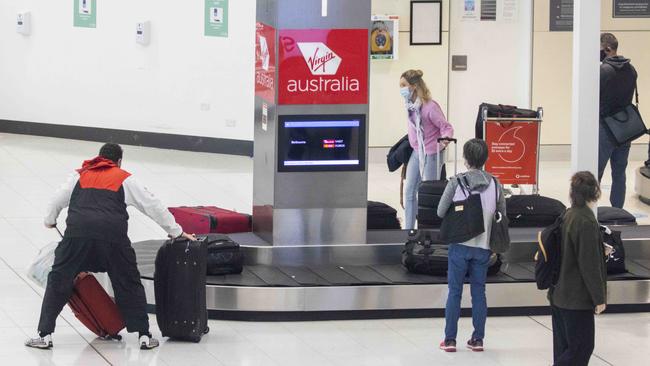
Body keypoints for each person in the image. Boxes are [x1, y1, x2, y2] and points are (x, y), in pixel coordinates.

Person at [25, 143, 196, 350]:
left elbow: (56, 200)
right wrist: (176, 232)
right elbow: (153, 205)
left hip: (77, 238)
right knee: (128, 283)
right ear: (119, 161)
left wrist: (50, 220)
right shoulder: (124, 178)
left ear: (99, 157)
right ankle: (143, 335)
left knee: (58, 280)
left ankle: (44, 335)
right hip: (113, 240)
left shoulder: (80, 175)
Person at [437, 139, 505, 352]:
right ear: (486, 159)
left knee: (454, 292)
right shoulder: (495, 184)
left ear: (466, 159)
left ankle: (449, 340)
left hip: (459, 245)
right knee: (479, 292)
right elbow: (501, 214)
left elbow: (440, 211)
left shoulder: (456, 182)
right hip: (483, 247)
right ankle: (477, 339)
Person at [550, 171, 607, 366]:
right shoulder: (586, 221)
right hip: (577, 299)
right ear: (595, 192)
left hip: (558, 294)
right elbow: (589, 265)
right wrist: (599, 298)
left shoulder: (568, 215)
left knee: (564, 349)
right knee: (581, 349)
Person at [400, 69, 454, 229]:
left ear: (414, 86)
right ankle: (409, 229)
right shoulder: (411, 105)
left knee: (428, 192)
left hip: (431, 154)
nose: (401, 89)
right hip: (417, 152)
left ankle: (428, 228)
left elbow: (446, 127)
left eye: (403, 85)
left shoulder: (430, 107)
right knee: (409, 191)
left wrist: (443, 142)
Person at [598, 32, 638, 208]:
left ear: (606, 49)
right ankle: (617, 211)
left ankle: (591, 210)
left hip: (605, 127)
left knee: (596, 172)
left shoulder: (603, 71)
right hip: (625, 128)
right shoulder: (632, 70)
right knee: (619, 172)